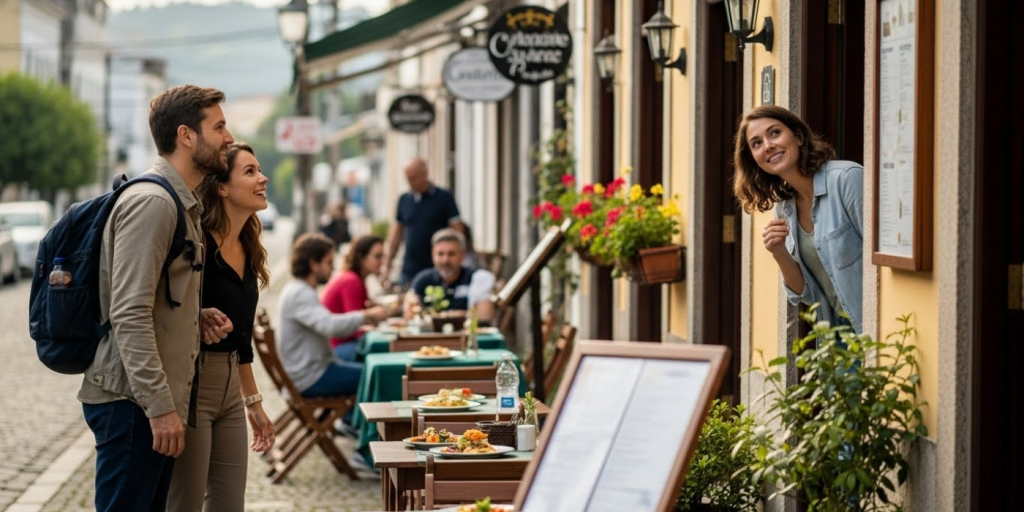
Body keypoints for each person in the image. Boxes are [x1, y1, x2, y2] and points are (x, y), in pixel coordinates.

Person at [78, 85, 235, 512]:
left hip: (144, 404)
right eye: (218, 126)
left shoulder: (178, 203)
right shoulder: (153, 203)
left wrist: (190, 315)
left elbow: (147, 299)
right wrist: (161, 408)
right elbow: (128, 313)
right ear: (187, 136)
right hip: (132, 405)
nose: (229, 137)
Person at [167, 143, 275, 511]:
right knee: (186, 503)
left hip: (231, 385)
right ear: (222, 187)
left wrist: (253, 402)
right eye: (250, 171)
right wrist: (196, 317)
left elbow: (241, 339)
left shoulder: (249, 245)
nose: (262, 178)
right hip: (193, 384)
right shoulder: (196, 244)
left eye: (259, 169)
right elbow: (162, 307)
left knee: (230, 503)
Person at [732, 105, 864, 332]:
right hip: (836, 339)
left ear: (799, 136)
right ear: (754, 159)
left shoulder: (846, 179)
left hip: (872, 330)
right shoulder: (784, 209)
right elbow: (808, 294)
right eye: (757, 143)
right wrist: (779, 252)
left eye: (775, 133)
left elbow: (883, 264)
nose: (768, 145)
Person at [277, 233, 388, 402]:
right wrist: (366, 316)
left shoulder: (297, 290)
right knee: (378, 375)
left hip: (311, 371)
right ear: (314, 264)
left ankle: (352, 421)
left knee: (373, 369)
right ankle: (353, 423)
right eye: (329, 262)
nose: (333, 268)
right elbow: (330, 326)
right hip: (310, 377)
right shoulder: (300, 293)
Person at [382, 157, 464, 286]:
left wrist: (459, 259)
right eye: (408, 178)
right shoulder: (404, 200)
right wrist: (387, 265)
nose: (411, 183)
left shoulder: (444, 197)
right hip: (410, 267)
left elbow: (457, 230)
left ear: (425, 174)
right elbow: (395, 235)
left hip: (438, 266)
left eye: (414, 178)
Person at [403, 228, 496, 323]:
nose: (445, 260)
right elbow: (409, 313)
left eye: (451, 254)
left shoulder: (477, 279)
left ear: (462, 255)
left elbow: (485, 316)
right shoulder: (422, 279)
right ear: (433, 255)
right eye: (440, 254)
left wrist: (445, 316)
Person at [321, 234, 389, 362]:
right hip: (339, 348)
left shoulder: (356, 279)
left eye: (383, 256)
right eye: (377, 256)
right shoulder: (351, 281)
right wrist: (375, 317)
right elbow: (355, 329)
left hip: (343, 345)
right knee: (386, 351)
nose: (382, 262)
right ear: (361, 258)